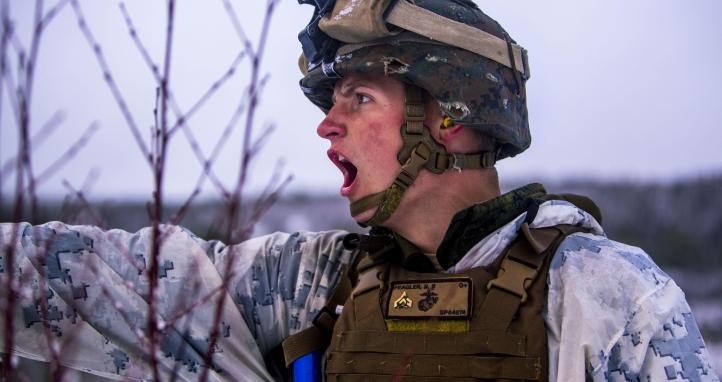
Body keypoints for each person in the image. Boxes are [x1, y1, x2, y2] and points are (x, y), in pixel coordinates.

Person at [1, 0, 718, 381]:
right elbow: (105, 284)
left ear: (449, 118)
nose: (328, 128)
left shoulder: (606, 297)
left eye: (359, 99)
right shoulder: (313, 286)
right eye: (329, 104)